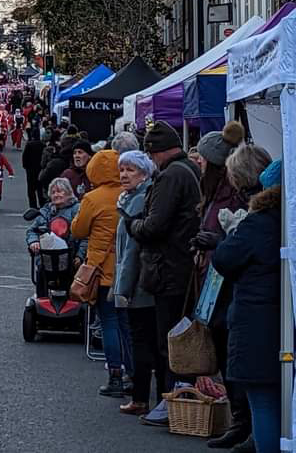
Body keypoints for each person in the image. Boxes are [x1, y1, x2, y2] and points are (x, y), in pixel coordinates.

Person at [124, 121, 201, 420]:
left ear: (156, 152)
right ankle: (175, 398)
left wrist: (134, 224)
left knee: (168, 340)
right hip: (181, 265)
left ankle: (170, 402)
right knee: (179, 337)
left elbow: (155, 225)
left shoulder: (171, 176)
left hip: (169, 267)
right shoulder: (189, 170)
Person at [212, 160, 281, 453]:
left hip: (257, 319)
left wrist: (229, 234)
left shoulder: (261, 220)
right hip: (279, 314)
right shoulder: (283, 220)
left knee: (263, 399)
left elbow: (225, 258)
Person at [72, 149, 132, 398]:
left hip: (102, 269)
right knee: (127, 325)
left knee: (108, 322)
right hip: (128, 268)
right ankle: (134, 373)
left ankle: (115, 374)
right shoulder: (131, 194)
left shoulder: (92, 198)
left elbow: (78, 229)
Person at [112, 151, 160, 416]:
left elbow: (131, 252)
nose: (124, 175)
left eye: (131, 170)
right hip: (139, 281)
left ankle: (141, 397)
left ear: (144, 173)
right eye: (122, 170)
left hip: (140, 284)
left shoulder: (138, 201)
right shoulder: (130, 199)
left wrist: (122, 288)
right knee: (144, 340)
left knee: (141, 340)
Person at [25, 178, 86, 297]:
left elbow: (85, 236)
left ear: (69, 193)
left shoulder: (78, 210)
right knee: (41, 272)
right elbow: (32, 231)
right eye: (53, 192)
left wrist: (80, 255)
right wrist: (34, 242)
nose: (56, 194)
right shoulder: (46, 211)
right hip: (47, 259)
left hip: (71, 258)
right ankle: (41, 298)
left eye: (60, 191)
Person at [23, 129, 46, 208]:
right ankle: (42, 204)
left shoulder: (29, 144)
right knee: (40, 188)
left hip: (30, 169)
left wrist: (25, 166)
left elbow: (25, 156)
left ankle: (33, 205)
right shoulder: (43, 145)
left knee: (31, 189)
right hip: (40, 168)